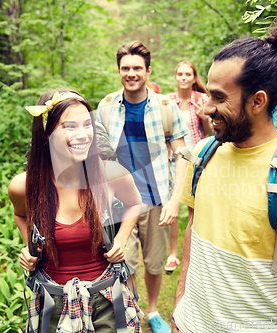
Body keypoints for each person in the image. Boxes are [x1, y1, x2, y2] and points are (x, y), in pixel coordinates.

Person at [173, 24, 277, 333]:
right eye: (209, 94)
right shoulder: (204, 153)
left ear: (258, 101)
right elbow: (193, 230)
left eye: (219, 97)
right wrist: (180, 306)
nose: (207, 108)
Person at [8, 89, 144, 332]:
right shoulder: (24, 186)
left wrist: (121, 241)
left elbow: (135, 203)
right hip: (52, 304)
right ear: (47, 134)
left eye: (87, 124)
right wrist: (30, 245)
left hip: (107, 302)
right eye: (69, 126)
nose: (83, 135)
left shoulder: (110, 174)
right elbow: (21, 213)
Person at [96, 41, 188, 333]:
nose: (131, 73)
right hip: (119, 202)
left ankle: (152, 311)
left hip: (156, 197)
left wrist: (176, 199)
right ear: (119, 71)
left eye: (137, 68)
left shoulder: (165, 107)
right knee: (126, 260)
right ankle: (132, 307)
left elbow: (183, 153)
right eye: (125, 68)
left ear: (148, 71)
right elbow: (97, 154)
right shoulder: (107, 106)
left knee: (154, 262)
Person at [165, 61, 212, 273]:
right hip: (176, 157)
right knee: (173, 203)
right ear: (176, 77)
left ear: (194, 78)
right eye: (180, 74)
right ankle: (173, 253)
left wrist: (205, 118)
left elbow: (211, 131)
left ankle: (198, 252)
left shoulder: (202, 100)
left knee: (196, 204)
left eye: (188, 74)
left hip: (197, 156)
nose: (183, 78)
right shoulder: (167, 101)